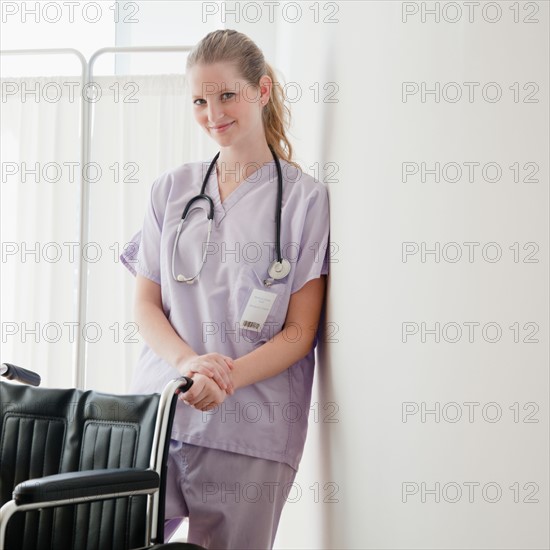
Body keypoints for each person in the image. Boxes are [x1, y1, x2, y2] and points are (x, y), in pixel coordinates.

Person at [121, 29, 330, 550]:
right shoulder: (172, 189)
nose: (213, 113)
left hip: (251, 428)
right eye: (199, 100)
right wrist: (191, 367)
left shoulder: (305, 201)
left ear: (261, 91)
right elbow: (146, 305)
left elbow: (301, 331)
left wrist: (226, 378)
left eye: (227, 95)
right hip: (161, 412)